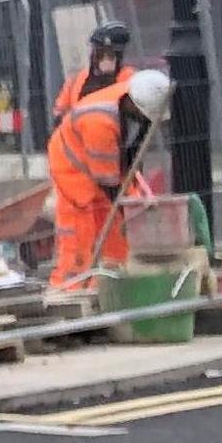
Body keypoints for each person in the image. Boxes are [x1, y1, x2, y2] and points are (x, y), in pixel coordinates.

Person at [47, 65, 172, 284]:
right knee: (80, 241)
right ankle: (69, 291)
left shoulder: (132, 95)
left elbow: (128, 158)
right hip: (73, 170)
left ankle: (110, 286)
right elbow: (109, 182)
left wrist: (131, 209)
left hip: (101, 165)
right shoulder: (100, 123)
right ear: (135, 106)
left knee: (117, 237)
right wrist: (132, 213)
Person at [55, 19, 133, 115]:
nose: (106, 58)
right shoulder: (76, 80)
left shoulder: (131, 80)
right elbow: (60, 112)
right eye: (100, 52)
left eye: (111, 54)